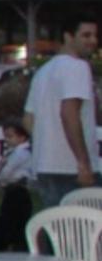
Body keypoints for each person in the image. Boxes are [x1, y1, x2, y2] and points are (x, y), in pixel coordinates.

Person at [24, 17, 98, 208]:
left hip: (44, 166)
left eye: (95, 35)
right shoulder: (78, 67)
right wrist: (83, 162)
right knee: (83, 231)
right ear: (68, 36)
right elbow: (69, 113)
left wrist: (46, 143)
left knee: (57, 230)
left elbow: (28, 120)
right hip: (70, 168)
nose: (93, 41)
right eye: (86, 35)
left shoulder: (43, 71)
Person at [0, 121, 35, 253]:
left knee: (11, 221)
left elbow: (7, 172)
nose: (7, 140)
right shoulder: (15, 152)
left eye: (11, 136)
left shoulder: (21, 153)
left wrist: (2, 180)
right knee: (15, 222)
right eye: (6, 136)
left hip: (17, 190)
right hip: (15, 190)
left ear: (22, 138)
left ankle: (8, 246)